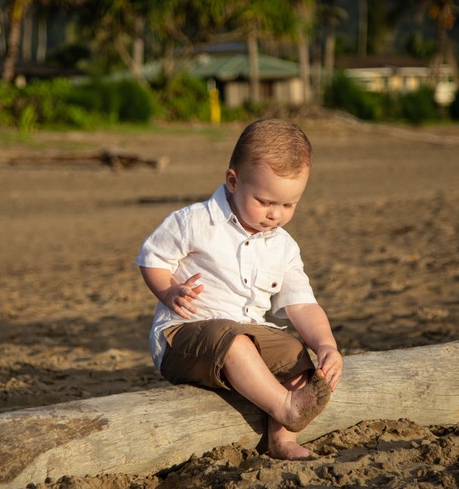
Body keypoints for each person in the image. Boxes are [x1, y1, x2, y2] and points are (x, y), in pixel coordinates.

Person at [135, 118, 343, 461]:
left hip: (245, 335)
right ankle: (286, 408)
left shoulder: (283, 247)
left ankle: (282, 437)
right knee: (234, 340)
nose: (275, 214)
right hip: (184, 338)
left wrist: (326, 345)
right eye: (264, 201)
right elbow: (151, 258)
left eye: (288, 205)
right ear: (233, 181)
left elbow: (303, 305)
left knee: (296, 354)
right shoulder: (195, 222)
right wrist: (169, 291)